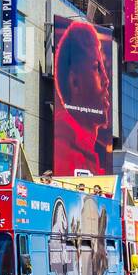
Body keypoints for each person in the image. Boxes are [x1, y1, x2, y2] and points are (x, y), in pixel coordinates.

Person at [51, 20, 111, 174]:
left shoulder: (86, 150)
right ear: (75, 82)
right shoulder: (66, 151)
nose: (107, 80)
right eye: (97, 68)